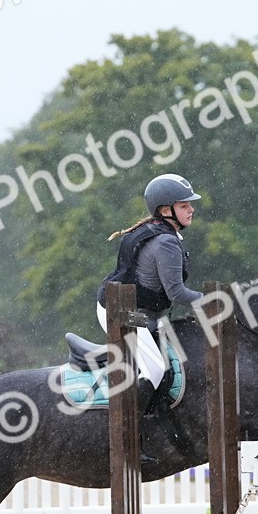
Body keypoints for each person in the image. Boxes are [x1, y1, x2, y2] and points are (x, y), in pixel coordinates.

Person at [96, 173, 203, 409]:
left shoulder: (161, 232)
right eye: (184, 205)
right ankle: (131, 427)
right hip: (124, 313)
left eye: (190, 205)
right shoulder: (165, 241)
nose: (191, 209)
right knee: (155, 370)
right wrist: (212, 301)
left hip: (133, 310)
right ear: (166, 211)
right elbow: (177, 294)